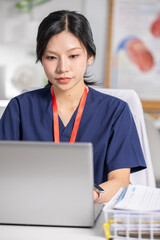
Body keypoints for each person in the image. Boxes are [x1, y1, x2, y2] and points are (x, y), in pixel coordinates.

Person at [0, 10, 146, 203]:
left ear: (90, 56)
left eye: (73, 56)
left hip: (91, 209)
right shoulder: (19, 108)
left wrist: (86, 197)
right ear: (41, 59)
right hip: (29, 208)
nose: (62, 68)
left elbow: (120, 181)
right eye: (51, 57)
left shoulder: (116, 112)